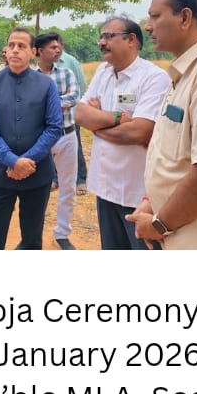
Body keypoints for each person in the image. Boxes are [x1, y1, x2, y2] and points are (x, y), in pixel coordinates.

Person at [120, 0, 197, 250]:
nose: (147, 26)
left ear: (184, 18)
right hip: (178, 224)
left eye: (155, 16)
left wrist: (159, 224)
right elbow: (177, 157)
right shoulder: (186, 72)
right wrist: (151, 202)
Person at [74, 15, 170, 249]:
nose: (101, 42)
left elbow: (139, 132)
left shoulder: (154, 78)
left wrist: (97, 124)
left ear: (131, 40)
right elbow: (80, 113)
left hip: (139, 195)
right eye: (101, 37)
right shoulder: (102, 72)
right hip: (105, 188)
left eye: (109, 36)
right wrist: (117, 119)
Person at [0, 28, 63, 250]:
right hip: (1, 174)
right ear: (6, 50)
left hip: (37, 174)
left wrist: (27, 161)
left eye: (21, 46)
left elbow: (54, 127)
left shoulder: (47, 85)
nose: (15, 50)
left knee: (32, 238)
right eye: (11, 45)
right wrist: (12, 161)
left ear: (33, 52)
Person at [26, 31, 80, 249]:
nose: (58, 50)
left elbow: (74, 97)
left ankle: (62, 233)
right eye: (53, 47)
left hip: (67, 136)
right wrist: (57, 101)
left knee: (68, 186)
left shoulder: (67, 73)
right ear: (39, 51)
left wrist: (45, 102)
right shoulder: (29, 76)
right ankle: (32, 234)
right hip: (40, 139)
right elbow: (27, 103)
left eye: (58, 47)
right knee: (37, 187)